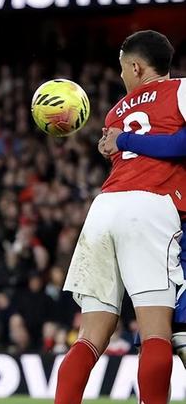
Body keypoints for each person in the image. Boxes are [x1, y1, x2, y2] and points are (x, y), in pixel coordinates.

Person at [55, 30, 186, 404]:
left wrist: (119, 142)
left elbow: (129, 149)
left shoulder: (118, 111)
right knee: (156, 333)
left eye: (123, 68)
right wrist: (124, 142)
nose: (121, 75)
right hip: (150, 207)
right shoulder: (181, 90)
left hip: (104, 208)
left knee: (89, 337)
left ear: (137, 67)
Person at [100, 124, 186, 367]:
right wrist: (117, 150)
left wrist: (123, 141)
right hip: (163, 227)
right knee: (153, 338)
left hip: (172, 228)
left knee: (170, 334)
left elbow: (179, 144)